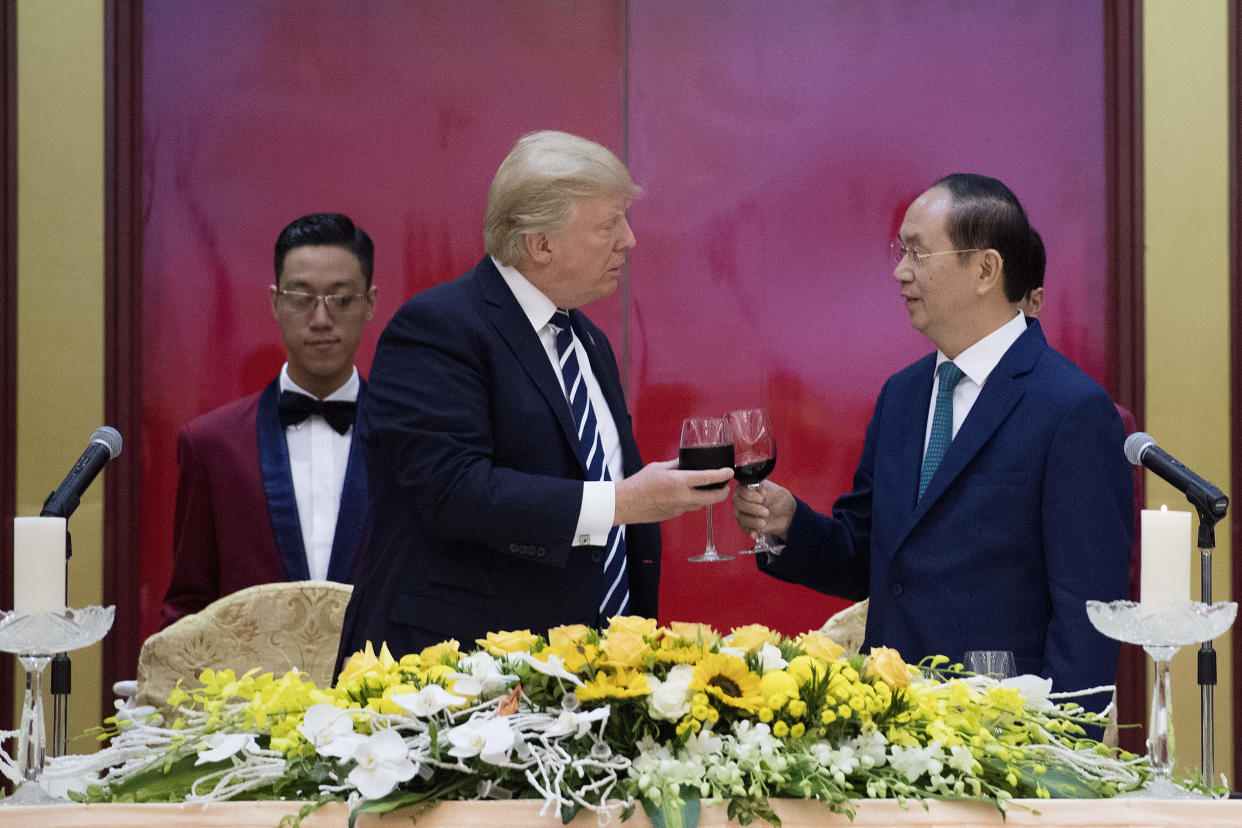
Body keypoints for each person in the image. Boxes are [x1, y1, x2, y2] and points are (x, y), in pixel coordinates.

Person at [336, 130, 731, 664]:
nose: (629, 240)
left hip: (583, 675)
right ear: (540, 244)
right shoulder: (437, 328)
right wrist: (625, 502)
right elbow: (454, 491)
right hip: (453, 678)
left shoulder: (585, 338)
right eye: (607, 224)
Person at [734, 174, 1132, 698]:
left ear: (986, 269)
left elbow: (1089, 615)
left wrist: (1060, 760)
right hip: (887, 723)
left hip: (1000, 741)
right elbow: (869, 556)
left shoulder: (1071, 408)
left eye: (918, 253)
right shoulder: (902, 395)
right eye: (900, 251)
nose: (900, 272)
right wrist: (789, 525)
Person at [160, 213, 378, 627]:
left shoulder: (410, 437)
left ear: (370, 303)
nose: (320, 319)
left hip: (380, 687)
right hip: (246, 690)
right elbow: (188, 604)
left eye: (342, 299)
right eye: (301, 297)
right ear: (275, 302)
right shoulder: (211, 444)